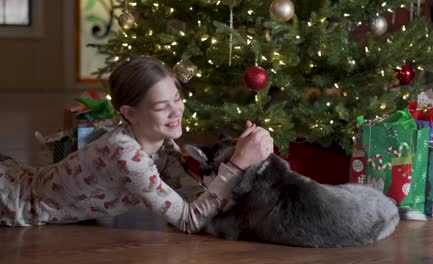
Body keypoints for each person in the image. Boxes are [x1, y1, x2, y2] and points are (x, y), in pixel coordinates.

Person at [0, 57, 274, 231]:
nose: (176, 111)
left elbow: (194, 199)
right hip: (12, 201)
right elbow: (189, 220)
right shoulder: (128, 156)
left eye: (177, 99)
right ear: (130, 113)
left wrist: (241, 157)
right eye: (161, 106)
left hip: (20, 175)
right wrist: (238, 164)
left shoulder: (162, 146)